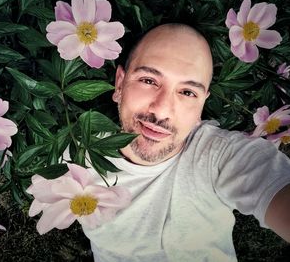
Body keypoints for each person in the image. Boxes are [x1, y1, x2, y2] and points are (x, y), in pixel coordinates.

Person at [64, 23, 290, 261]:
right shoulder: (74, 155)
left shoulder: (219, 156)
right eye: (149, 80)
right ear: (120, 84)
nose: (162, 110)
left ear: (202, 104)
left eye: (187, 92)